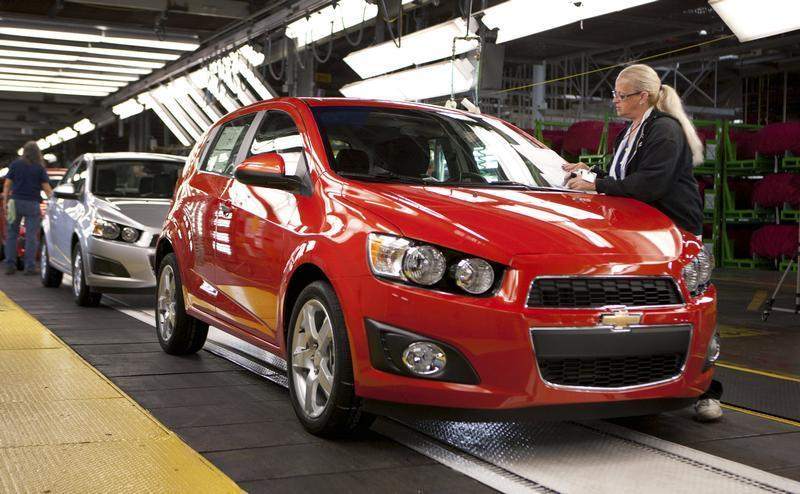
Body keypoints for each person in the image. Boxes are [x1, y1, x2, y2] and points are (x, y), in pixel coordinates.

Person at [563, 63, 723, 422]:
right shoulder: (630, 132)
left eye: (621, 95)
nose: (615, 101)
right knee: (633, 314)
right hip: (639, 236)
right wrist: (588, 173)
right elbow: (624, 178)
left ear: (643, 96)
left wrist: (597, 186)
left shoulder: (663, 131)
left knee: (688, 310)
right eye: (614, 94)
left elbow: (649, 185)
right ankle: (635, 381)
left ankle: (706, 390)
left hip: (672, 234)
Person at [2, 141, 53, 275]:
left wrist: (5, 203)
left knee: (12, 235)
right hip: (32, 204)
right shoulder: (39, 167)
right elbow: (47, 188)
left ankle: (10, 265)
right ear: (37, 153)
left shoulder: (15, 165)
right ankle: (29, 267)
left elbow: (7, 185)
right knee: (31, 236)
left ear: (24, 151)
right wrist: (54, 201)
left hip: (15, 202)